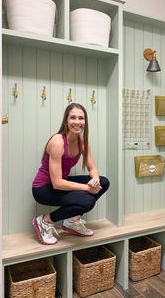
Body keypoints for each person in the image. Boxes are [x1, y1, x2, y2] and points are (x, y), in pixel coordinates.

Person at [32, 103, 110, 245]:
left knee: (104, 182)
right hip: (44, 188)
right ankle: (44, 221)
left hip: (61, 183)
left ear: (85, 121)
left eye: (81, 118)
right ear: (66, 121)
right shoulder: (57, 142)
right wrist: (87, 188)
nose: (77, 122)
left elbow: (92, 167)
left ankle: (71, 222)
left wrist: (96, 179)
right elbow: (57, 183)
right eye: (73, 118)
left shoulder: (82, 141)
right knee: (87, 201)